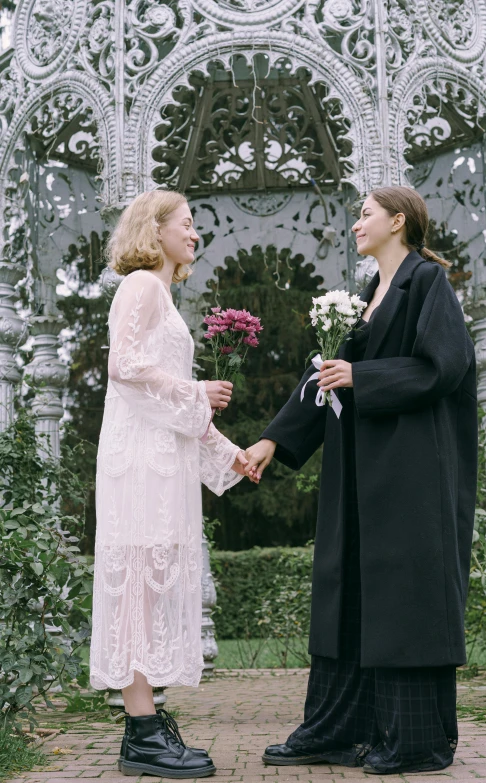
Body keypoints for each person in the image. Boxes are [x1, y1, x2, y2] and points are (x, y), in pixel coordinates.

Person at [244, 186, 478, 775]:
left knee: (404, 602)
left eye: (365, 215)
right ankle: (334, 729)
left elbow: (445, 366)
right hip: (356, 476)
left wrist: (364, 376)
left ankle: (415, 740)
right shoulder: (365, 295)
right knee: (344, 589)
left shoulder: (426, 283)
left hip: (410, 475)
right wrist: (273, 439)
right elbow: (324, 376)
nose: (355, 225)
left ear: (398, 221)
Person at [90, 190, 248, 779]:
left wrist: (230, 457)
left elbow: (171, 401)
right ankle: (142, 732)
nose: (196, 234)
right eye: (186, 224)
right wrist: (197, 391)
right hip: (139, 465)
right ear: (154, 230)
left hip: (162, 462)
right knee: (137, 585)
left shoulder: (162, 294)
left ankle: (146, 726)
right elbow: (124, 367)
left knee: (150, 589)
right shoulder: (142, 286)